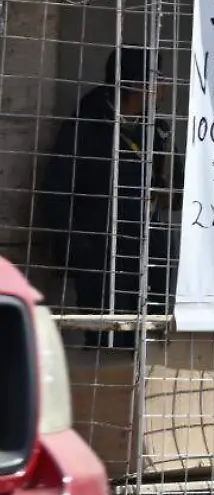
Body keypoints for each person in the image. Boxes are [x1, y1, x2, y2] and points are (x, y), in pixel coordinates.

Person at [38, 48, 172, 345]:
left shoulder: (155, 128)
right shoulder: (87, 124)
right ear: (139, 84)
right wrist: (82, 249)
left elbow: (164, 187)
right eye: (159, 78)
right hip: (101, 254)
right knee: (106, 345)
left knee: (148, 343)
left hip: (147, 252)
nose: (166, 85)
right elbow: (55, 191)